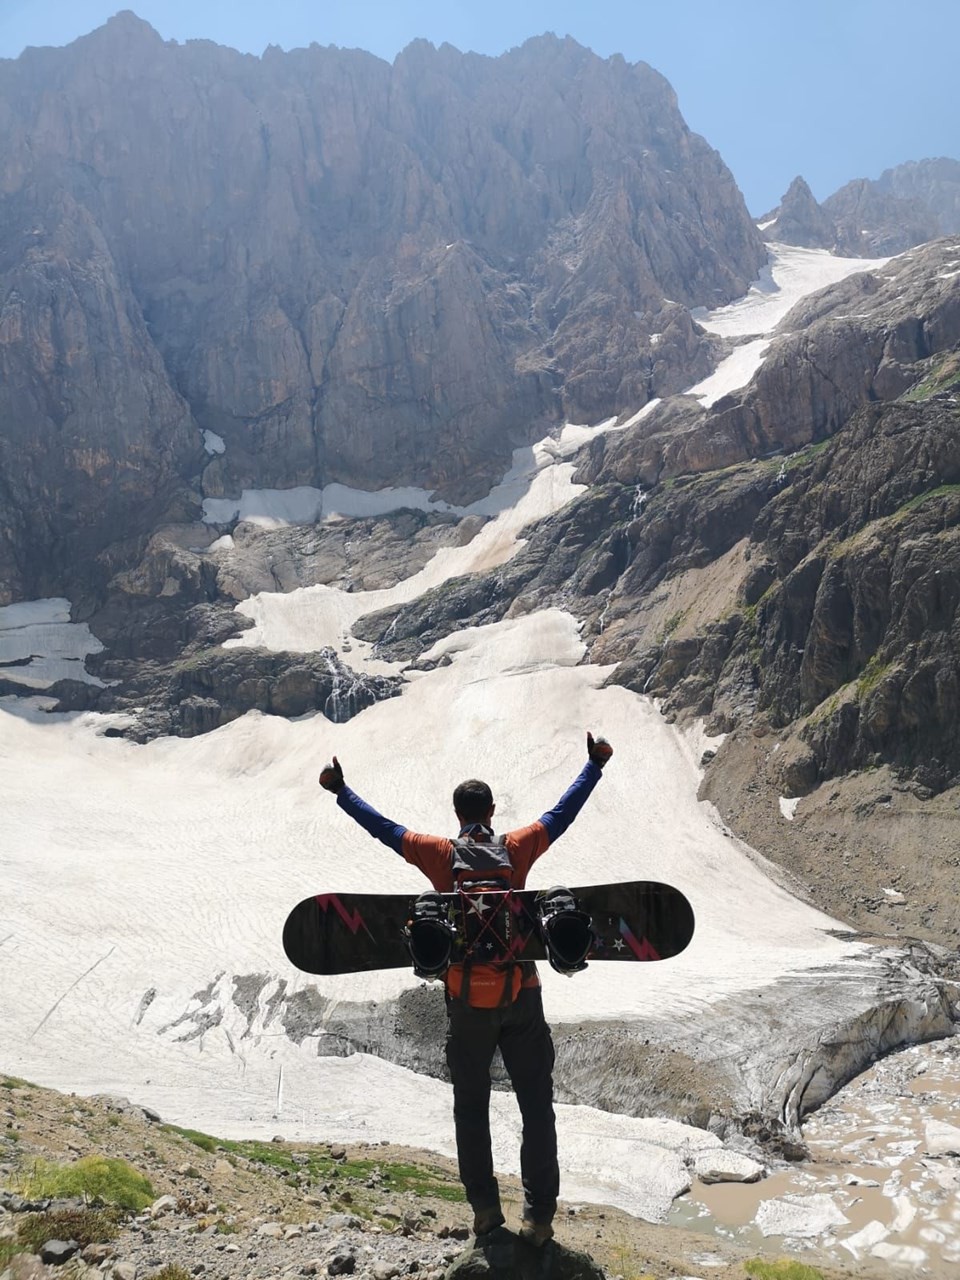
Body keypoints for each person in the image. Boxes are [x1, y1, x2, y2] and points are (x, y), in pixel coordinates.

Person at [318, 731, 614, 1246]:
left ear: (457, 814)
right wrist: (594, 765)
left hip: (465, 1007)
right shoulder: (515, 848)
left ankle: (484, 1212)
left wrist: (342, 792)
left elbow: (385, 830)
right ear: (492, 811)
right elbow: (561, 815)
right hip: (522, 995)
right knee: (536, 1109)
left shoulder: (438, 854)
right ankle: (539, 1218)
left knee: (471, 1111)